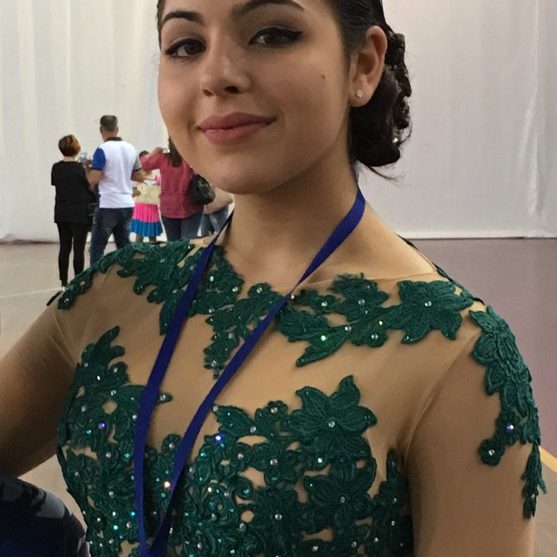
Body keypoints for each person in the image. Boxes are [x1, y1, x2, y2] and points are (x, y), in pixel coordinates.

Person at [0, 1, 545, 556]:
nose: (216, 75)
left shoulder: (456, 353)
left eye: (273, 34)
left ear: (363, 64)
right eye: (186, 45)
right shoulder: (111, 296)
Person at [86, 115, 147, 263]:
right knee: (124, 247)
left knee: (97, 247)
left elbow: (94, 178)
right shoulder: (131, 148)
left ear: (101, 130)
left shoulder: (102, 149)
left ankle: (95, 276)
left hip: (108, 204)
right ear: (117, 129)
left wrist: (87, 168)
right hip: (126, 204)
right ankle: (127, 274)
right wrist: (123, 171)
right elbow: (140, 176)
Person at [50, 135, 93, 288]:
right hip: (79, 213)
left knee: (64, 247)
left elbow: (56, 183)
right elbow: (89, 187)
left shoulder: (56, 168)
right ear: (77, 149)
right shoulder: (80, 169)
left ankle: (63, 281)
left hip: (61, 212)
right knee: (78, 249)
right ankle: (78, 280)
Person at [140, 139, 203, 241]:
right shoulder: (191, 158)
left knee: (173, 244)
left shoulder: (162, 158)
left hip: (168, 208)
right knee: (188, 243)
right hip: (190, 206)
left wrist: (153, 153)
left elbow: (140, 165)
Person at [130, 151, 163, 244]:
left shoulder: (158, 178)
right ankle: (137, 252)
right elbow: (132, 191)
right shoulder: (137, 177)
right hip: (140, 208)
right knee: (139, 236)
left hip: (152, 208)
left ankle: (153, 251)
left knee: (152, 237)